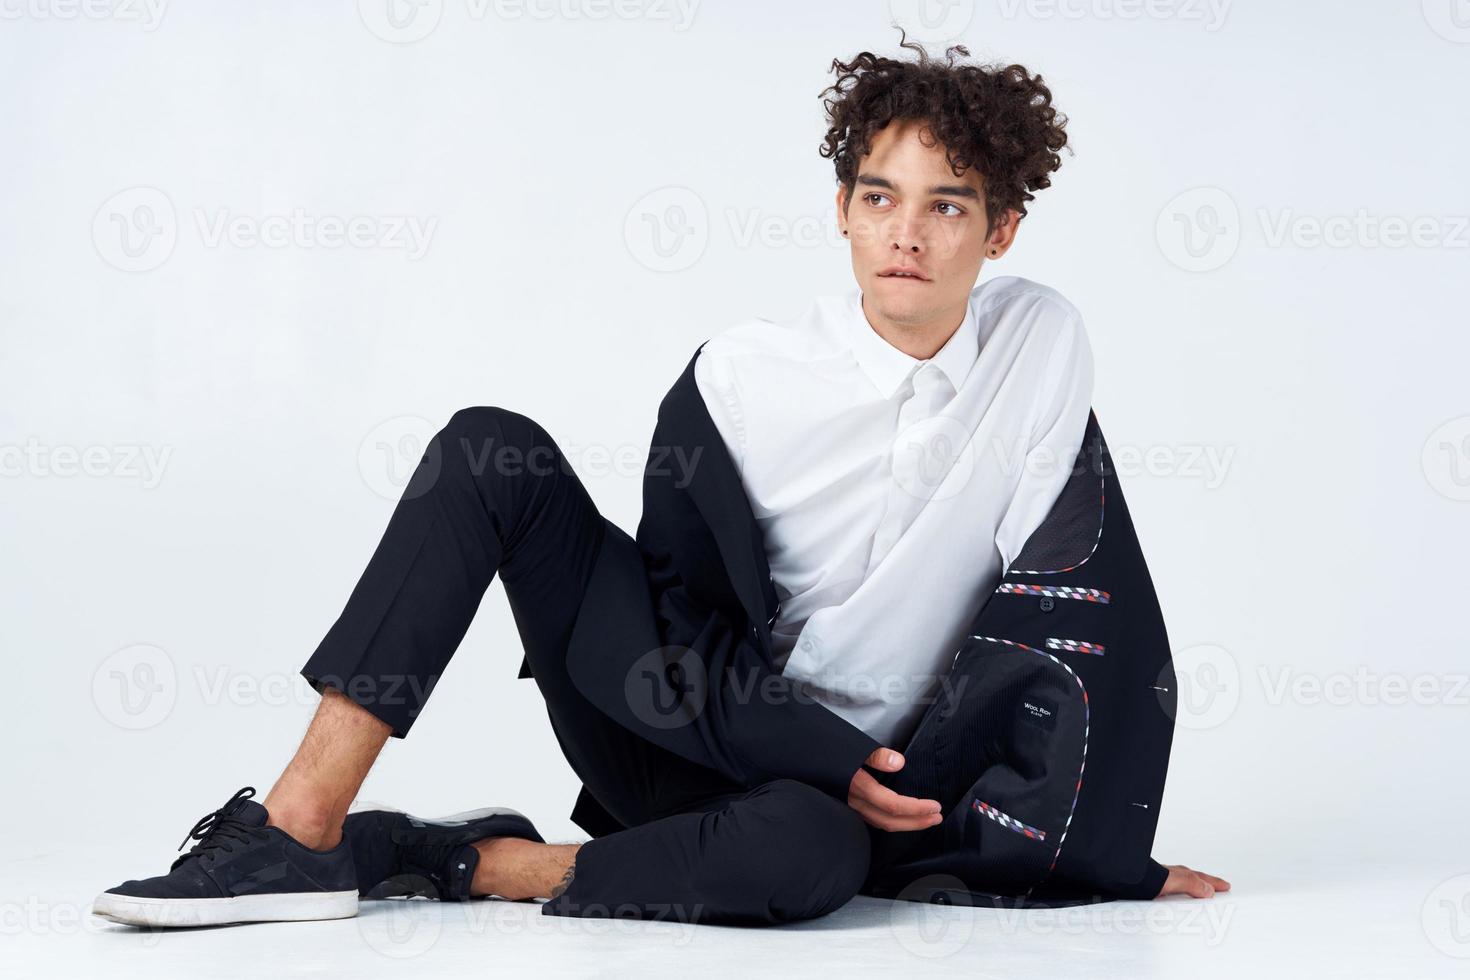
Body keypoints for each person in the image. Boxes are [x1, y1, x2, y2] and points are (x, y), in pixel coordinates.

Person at [92, 32, 1228, 930]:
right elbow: (676, 644)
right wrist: (823, 746)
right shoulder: (741, 380)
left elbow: (1088, 608)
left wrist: (1100, 848)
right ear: (841, 210)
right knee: (492, 446)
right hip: (682, 726)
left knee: (818, 860)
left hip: (827, 799)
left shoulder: (1041, 348)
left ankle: (470, 859)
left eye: (949, 205)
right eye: (880, 197)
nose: (908, 235)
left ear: (1004, 229)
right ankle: (297, 825)